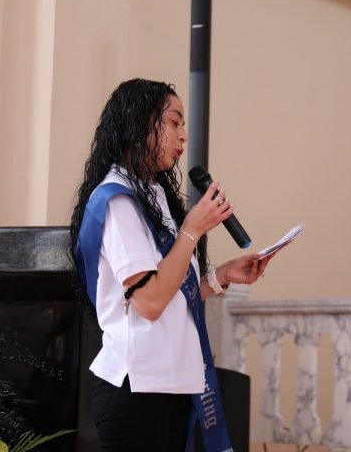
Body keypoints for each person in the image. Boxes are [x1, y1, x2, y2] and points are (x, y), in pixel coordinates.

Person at [69, 78, 275, 452]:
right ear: (140, 123)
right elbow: (149, 302)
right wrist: (192, 230)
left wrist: (222, 275)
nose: (183, 137)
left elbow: (174, 289)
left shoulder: (155, 196)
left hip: (170, 384)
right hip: (135, 387)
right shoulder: (117, 201)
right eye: (174, 122)